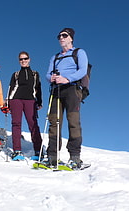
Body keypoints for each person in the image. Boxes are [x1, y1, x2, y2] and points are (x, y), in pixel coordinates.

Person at [45, 28, 88, 168]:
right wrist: (51, 78)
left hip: (72, 89)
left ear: (71, 38)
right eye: (59, 36)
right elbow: (47, 74)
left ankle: (75, 156)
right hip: (56, 90)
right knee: (54, 122)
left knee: (73, 121)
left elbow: (83, 70)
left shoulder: (79, 53)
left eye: (64, 35)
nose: (61, 38)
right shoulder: (55, 57)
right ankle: (52, 156)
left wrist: (67, 78)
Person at [7, 51, 43, 161]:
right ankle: (17, 150)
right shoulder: (16, 74)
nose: (23, 61)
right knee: (16, 124)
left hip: (30, 100)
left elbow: (38, 89)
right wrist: (8, 103)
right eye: (21, 59)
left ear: (29, 59)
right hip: (16, 99)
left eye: (25, 59)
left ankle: (38, 150)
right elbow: (11, 88)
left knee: (33, 124)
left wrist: (39, 102)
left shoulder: (35, 74)